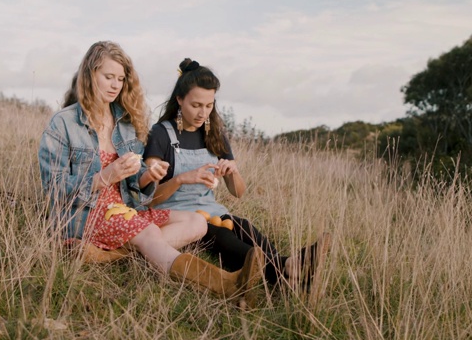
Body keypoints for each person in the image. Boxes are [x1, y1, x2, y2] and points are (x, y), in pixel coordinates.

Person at [38, 42, 264, 305]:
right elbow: (52, 188)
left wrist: (149, 175)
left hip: (123, 211)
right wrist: (104, 177)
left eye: (120, 79)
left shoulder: (124, 124)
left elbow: (135, 182)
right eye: (108, 77)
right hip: (83, 214)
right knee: (148, 234)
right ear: (89, 75)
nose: (115, 85)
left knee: (197, 223)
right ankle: (225, 284)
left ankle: (111, 255)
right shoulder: (63, 123)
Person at [143, 58, 330, 290]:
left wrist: (233, 173)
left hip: (213, 211)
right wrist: (182, 178)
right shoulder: (160, 134)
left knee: (245, 227)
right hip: (180, 218)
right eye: (196, 105)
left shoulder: (215, 135)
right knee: (221, 237)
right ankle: (288, 269)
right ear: (180, 100)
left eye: (209, 105)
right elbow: (150, 198)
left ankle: (287, 275)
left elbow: (238, 193)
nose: (203, 113)